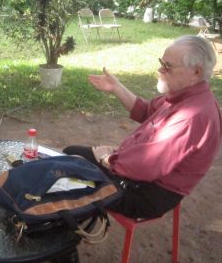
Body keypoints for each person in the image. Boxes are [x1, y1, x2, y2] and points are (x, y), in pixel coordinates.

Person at [63, 35, 221, 219]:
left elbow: (143, 168)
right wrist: (116, 86)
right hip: (139, 176)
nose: (160, 69)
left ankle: (62, 235)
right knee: (71, 155)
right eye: (162, 62)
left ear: (196, 72)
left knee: (67, 174)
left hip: (144, 194)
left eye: (168, 66)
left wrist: (107, 158)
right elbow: (146, 110)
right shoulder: (185, 96)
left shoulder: (191, 116)